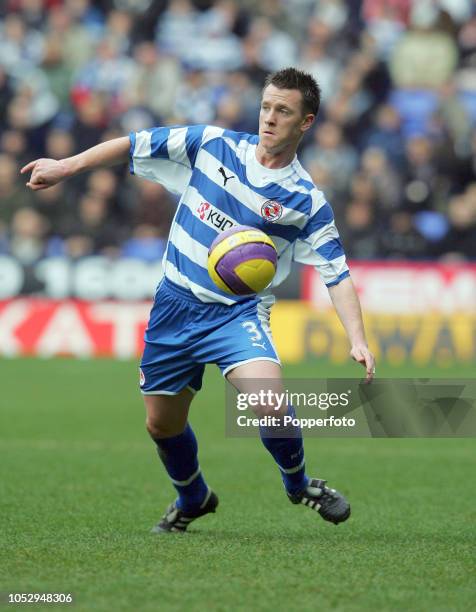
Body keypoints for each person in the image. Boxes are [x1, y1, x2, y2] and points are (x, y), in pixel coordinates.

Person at [21, 68, 376, 533]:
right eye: (267, 106)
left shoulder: (306, 200)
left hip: (235, 314)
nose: (269, 118)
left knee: (269, 401)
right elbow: (133, 144)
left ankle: (299, 485)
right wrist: (67, 166)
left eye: (283, 111)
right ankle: (193, 498)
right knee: (161, 426)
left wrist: (358, 339)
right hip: (174, 304)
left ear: (305, 123)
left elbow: (337, 273)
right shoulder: (211, 143)